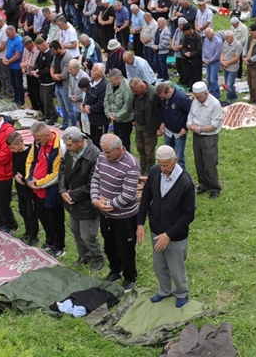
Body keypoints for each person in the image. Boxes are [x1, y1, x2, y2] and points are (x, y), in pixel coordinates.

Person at [136, 145, 197, 307]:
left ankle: (182, 292)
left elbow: (188, 215)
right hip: (156, 229)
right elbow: (146, 196)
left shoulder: (185, 182)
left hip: (175, 235)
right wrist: (140, 223)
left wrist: (168, 235)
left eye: (166, 165)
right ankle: (164, 290)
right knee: (159, 264)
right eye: (160, 165)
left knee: (177, 267)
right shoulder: (156, 171)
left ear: (175, 160)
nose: (163, 169)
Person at [90, 133, 141, 291]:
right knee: (109, 245)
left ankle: (130, 276)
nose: (105, 155)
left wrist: (108, 204)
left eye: (108, 152)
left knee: (125, 248)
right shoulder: (102, 158)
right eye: (103, 152)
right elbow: (95, 179)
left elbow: (128, 194)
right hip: (105, 214)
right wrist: (95, 200)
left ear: (119, 149)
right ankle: (115, 269)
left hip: (124, 216)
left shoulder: (131, 165)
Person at [58, 127, 104, 270]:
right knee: (75, 229)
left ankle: (97, 257)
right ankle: (84, 255)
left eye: (70, 145)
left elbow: (93, 185)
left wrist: (71, 194)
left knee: (88, 235)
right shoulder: (70, 151)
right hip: (72, 202)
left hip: (87, 204)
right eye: (66, 144)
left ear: (80, 142)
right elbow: (62, 170)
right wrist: (62, 190)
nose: (67, 147)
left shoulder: (95, 156)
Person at [24, 122, 66, 256]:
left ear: (47, 135)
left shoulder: (60, 147)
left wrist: (38, 183)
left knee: (55, 220)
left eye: (38, 139)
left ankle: (59, 246)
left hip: (51, 191)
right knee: (42, 217)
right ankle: (49, 242)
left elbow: (57, 174)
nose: (36, 141)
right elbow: (29, 160)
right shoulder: (37, 143)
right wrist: (28, 179)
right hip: (37, 189)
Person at [186, 81, 224, 199]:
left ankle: (215, 188)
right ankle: (203, 184)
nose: (197, 99)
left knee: (210, 164)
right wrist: (189, 125)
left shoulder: (215, 104)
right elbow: (190, 116)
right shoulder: (195, 101)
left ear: (206, 93)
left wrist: (200, 129)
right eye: (195, 97)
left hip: (209, 137)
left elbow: (214, 125)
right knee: (199, 162)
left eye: (199, 97)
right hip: (197, 135)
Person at [7, 131, 39, 245]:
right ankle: (28, 232)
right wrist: (15, 174)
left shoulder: (30, 153)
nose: (11, 150)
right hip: (20, 189)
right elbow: (14, 166)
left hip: (29, 189)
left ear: (20, 144)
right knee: (23, 211)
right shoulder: (15, 153)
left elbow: (33, 170)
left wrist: (25, 179)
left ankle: (34, 236)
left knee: (31, 214)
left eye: (13, 148)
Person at [155, 80, 192, 165]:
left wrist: (185, 127)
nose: (161, 99)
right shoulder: (162, 97)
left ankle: (181, 176)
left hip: (179, 132)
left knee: (179, 159)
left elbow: (190, 112)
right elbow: (162, 110)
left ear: (169, 91)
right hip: (168, 130)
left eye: (163, 97)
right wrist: (162, 122)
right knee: (168, 156)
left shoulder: (181, 98)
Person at [129, 78, 159, 174]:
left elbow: (159, 112)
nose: (135, 93)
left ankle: (149, 170)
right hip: (138, 124)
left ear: (142, 86)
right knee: (140, 148)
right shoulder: (135, 93)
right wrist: (134, 119)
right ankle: (142, 168)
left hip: (150, 126)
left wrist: (159, 127)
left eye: (137, 91)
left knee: (149, 151)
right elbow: (134, 106)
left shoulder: (154, 93)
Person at [103, 68, 134, 150]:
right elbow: (106, 99)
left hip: (125, 120)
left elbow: (127, 107)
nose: (111, 83)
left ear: (119, 78)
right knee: (116, 142)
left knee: (124, 143)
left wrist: (116, 116)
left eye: (113, 81)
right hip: (114, 119)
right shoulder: (110, 84)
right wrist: (108, 113)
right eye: (110, 81)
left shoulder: (127, 88)